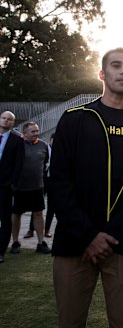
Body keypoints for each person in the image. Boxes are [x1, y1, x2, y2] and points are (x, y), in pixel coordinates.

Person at [50, 47, 123, 327]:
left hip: (121, 243)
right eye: (116, 65)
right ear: (102, 73)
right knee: (70, 321)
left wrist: (109, 235)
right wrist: (88, 234)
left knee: (122, 322)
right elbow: (59, 182)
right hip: (74, 242)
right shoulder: (75, 119)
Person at [10, 121, 51, 255]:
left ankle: (40, 243)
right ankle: (15, 242)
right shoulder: (18, 145)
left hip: (37, 187)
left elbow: (45, 163)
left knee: (38, 214)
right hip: (20, 188)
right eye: (33, 131)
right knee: (16, 215)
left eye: (37, 131)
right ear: (25, 133)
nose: (36, 133)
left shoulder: (43, 145)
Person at [0, 111, 24, 263]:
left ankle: (1, 251)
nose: (6, 121)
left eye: (9, 120)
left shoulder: (17, 141)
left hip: (4, 187)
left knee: (5, 219)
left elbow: (19, 164)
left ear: (12, 123)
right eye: (4, 118)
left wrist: (12, 184)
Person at [24, 133, 55, 239]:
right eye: (53, 140)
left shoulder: (62, 150)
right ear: (50, 140)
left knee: (52, 206)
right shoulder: (45, 148)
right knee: (36, 206)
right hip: (42, 180)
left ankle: (47, 230)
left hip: (54, 181)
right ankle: (31, 230)